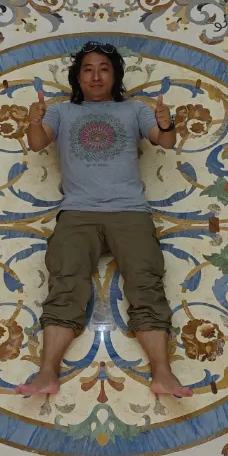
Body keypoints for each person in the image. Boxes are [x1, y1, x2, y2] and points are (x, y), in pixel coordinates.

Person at [18, 42, 193, 401]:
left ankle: (162, 372)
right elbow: (38, 144)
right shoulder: (61, 111)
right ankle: (47, 372)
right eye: (87, 69)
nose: (96, 75)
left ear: (115, 75)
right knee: (65, 284)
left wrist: (166, 123)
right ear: (77, 76)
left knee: (146, 285)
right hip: (78, 211)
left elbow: (165, 139)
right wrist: (32, 123)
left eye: (104, 68)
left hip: (130, 211)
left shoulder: (134, 110)